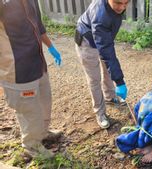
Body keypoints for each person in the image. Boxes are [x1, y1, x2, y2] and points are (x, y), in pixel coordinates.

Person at [0, 0, 62, 158]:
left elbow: (38, 25)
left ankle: (42, 132)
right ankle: (32, 146)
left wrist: (50, 46)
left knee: (44, 101)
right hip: (18, 71)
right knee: (30, 111)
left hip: (38, 63)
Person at [75, 0, 129, 129]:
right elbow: (105, 49)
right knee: (94, 79)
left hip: (104, 39)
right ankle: (100, 113)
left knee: (107, 69)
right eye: (118, 3)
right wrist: (120, 81)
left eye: (126, 3)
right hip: (87, 42)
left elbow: (106, 47)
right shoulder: (100, 16)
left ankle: (110, 96)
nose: (122, 7)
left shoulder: (116, 6)